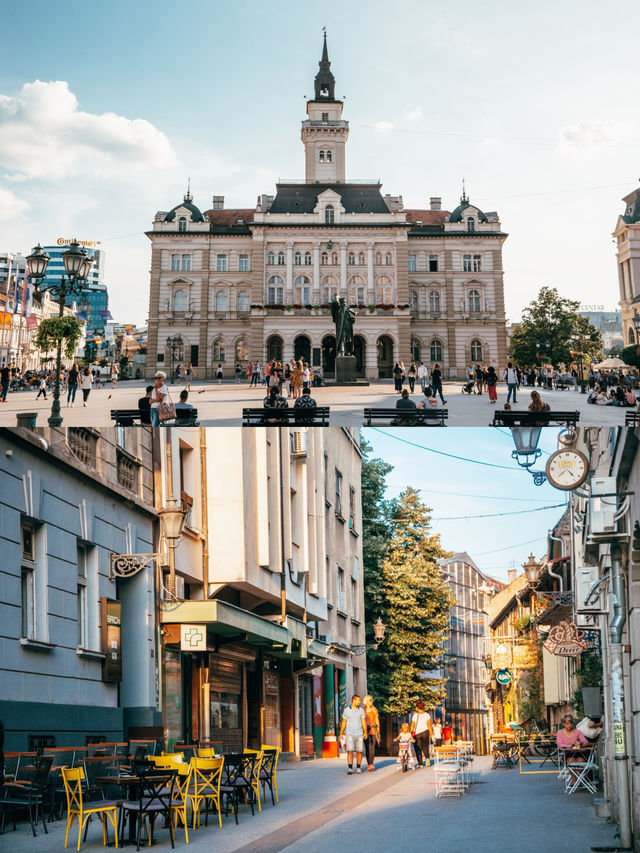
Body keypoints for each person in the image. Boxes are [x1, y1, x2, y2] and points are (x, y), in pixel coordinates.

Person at [339, 695, 368, 774]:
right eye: (358, 700)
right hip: (349, 734)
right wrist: (341, 733)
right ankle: (350, 768)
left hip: (359, 734)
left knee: (359, 751)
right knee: (350, 751)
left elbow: (363, 721)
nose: (360, 702)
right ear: (353, 701)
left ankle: (358, 767)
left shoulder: (361, 710)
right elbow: (344, 722)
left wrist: (365, 732)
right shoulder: (347, 710)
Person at [556, 713, 589, 781]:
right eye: (567, 723)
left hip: (579, 752)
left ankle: (578, 779)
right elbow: (560, 745)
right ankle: (574, 779)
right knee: (571, 762)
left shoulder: (577, 732)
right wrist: (570, 746)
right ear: (563, 724)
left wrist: (580, 743)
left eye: (570, 723)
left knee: (580, 761)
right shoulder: (560, 733)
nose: (569, 725)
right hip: (568, 753)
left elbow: (586, 742)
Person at [410, 700, 433, 767]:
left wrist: (410, 733)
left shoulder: (415, 715)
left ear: (417, 707)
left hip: (417, 734)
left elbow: (412, 725)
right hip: (425, 732)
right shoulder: (427, 715)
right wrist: (431, 734)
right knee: (425, 747)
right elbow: (429, 725)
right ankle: (427, 758)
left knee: (418, 748)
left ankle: (420, 763)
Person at [362, 695, 380, 772]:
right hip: (365, 731)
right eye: (369, 700)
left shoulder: (374, 710)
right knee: (367, 748)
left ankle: (371, 764)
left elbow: (376, 720)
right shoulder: (362, 710)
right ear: (366, 701)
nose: (371, 701)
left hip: (373, 730)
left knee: (372, 748)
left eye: (372, 700)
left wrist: (378, 730)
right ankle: (368, 763)